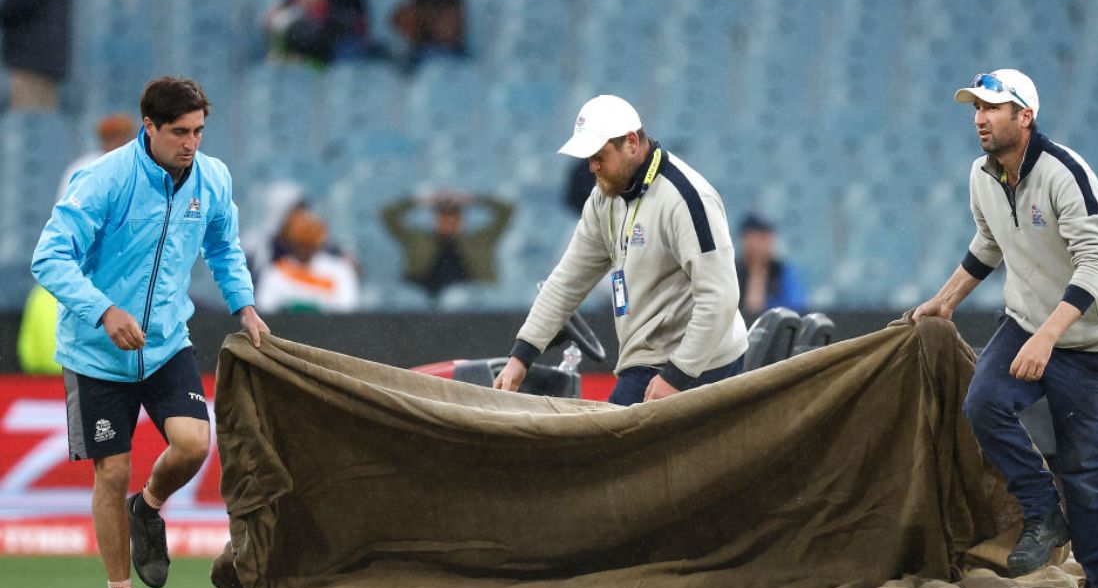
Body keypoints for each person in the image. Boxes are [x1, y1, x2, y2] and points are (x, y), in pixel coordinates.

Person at [30, 76, 270, 588]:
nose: (192, 143)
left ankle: (150, 505)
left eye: (199, 131)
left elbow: (223, 245)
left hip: (165, 344)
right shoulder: (105, 179)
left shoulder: (212, 178)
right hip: (95, 354)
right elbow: (49, 255)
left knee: (193, 444)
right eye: (180, 132)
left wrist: (245, 306)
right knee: (111, 470)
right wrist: (103, 310)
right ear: (151, 127)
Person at [911, 69, 1098, 588]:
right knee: (982, 401)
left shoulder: (1067, 174)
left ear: (1025, 117)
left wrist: (1048, 336)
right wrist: (944, 301)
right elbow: (988, 245)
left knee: (1084, 472)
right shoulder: (980, 175)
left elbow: (1094, 265)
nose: (979, 118)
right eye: (975, 108)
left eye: (992, 107)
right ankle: (1042, 511)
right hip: (1027, 320)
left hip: (1087, 340)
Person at [493, 95, 748, 405]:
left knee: (606, 448)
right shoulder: (604, 198)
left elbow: (720, 297)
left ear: (630, 143)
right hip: (649, 359)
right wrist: (521, 357)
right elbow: (566, 281)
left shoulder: (687, 199)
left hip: (705, 362)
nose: (591, 166)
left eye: (599, 155)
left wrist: (678, 375)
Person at [380, 189, 513, 297]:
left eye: (453, 219)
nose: (448, 223)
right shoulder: (418, 240)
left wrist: (473, 200)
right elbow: (387, 215)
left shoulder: (479, 241)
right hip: (424, 304)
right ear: (436, 220)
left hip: (470, 306)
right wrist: (421, 201)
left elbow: (507, 211)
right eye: (443, 218)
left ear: (460, 221)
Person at [255, 207, 360, 313]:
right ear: (291, 242)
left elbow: (347, 311)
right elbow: (265, 310)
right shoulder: (275, 271)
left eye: (310, 245)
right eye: (301, 244)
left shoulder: (340, 271)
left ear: (319, 243)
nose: (305, 250)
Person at [0, 0, 71, 110]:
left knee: (28, 116)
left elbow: (20, 2)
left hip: (28, 60)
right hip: (52, 58)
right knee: (46, 117)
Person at [263, 0, 371, 65]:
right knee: (282, 23)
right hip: (320, 31)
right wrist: (280, 7)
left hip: (345, 34)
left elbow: (338, 5)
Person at [735, 213, 805, 322]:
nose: (763, 243)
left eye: (767, 237)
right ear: (745, 239)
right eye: (758, 236)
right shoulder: (732, 272)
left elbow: (795, 308)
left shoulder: (781, 271)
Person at [58, 113, 137, 198]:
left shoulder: (138, 166)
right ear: (104, 139)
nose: (118, 142)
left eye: (123, 136)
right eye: (112, 136)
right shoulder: (84, 167)